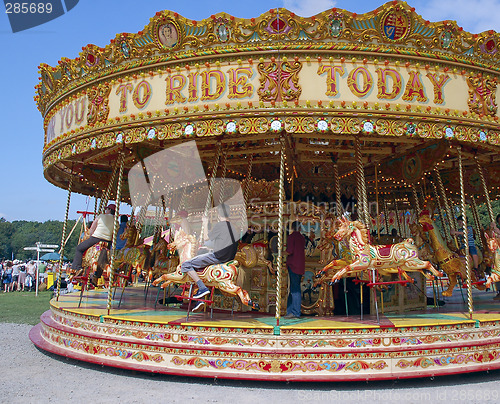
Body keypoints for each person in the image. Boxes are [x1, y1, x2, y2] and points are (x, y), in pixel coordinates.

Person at [180, 203, 239, 313]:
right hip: (229, 258)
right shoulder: (233, 227)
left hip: (218, 257)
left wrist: (206, 223)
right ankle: (201, 299)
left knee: (186, 264)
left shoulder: (221, 225)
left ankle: (202, 288)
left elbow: (206, 238)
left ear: (218, 214)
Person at [71, 204, 115, 283]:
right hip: (108, 241)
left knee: (79, 248)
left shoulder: (101, 216)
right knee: (104, 258)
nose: (106, 210)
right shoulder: (116, 221)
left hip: (96, 238)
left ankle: (77, 267)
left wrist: (91, 236)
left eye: (107, 209)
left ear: (109, 210)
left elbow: (92, 229)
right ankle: (96, 276)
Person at [285, 221, 306, 318]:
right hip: (300, 265)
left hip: (293, 265)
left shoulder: (291, 237)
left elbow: (290, 251)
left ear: (292, 228)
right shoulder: (302, 238)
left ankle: (295, 312)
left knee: (295, 289)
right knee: (293, 288)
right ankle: (290, 310)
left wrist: (281, 253)